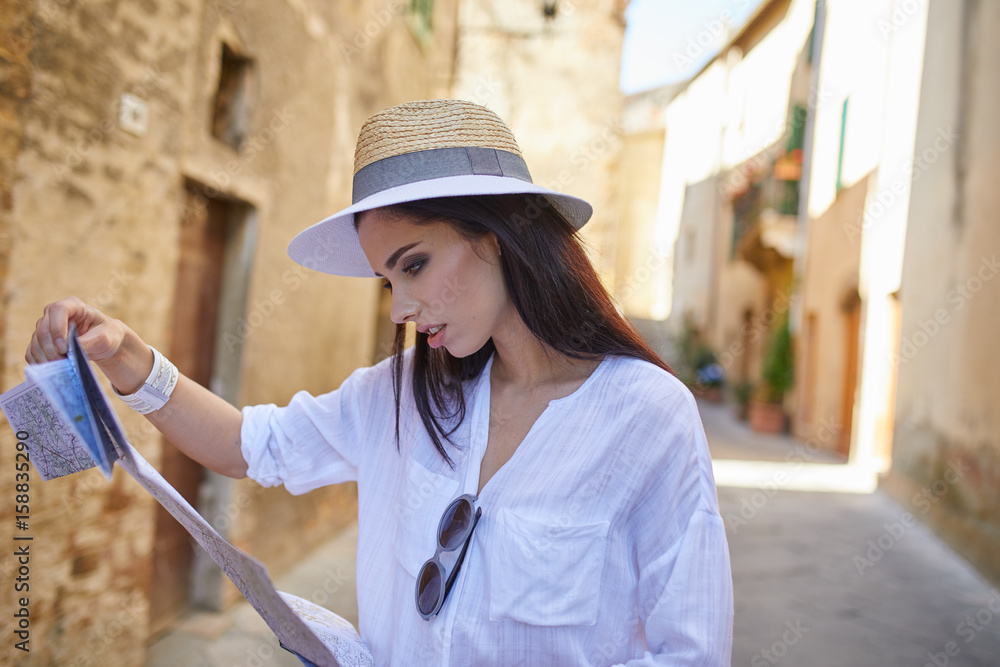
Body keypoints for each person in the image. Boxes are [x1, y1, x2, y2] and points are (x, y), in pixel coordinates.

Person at [26, 99, 733, 665]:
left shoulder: (648, 415)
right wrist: (128, 360)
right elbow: (250, 445)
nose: (399, 307)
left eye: (415, 264)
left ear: (496, 235)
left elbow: (690, 648)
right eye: (386, 278)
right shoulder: (401, 393)